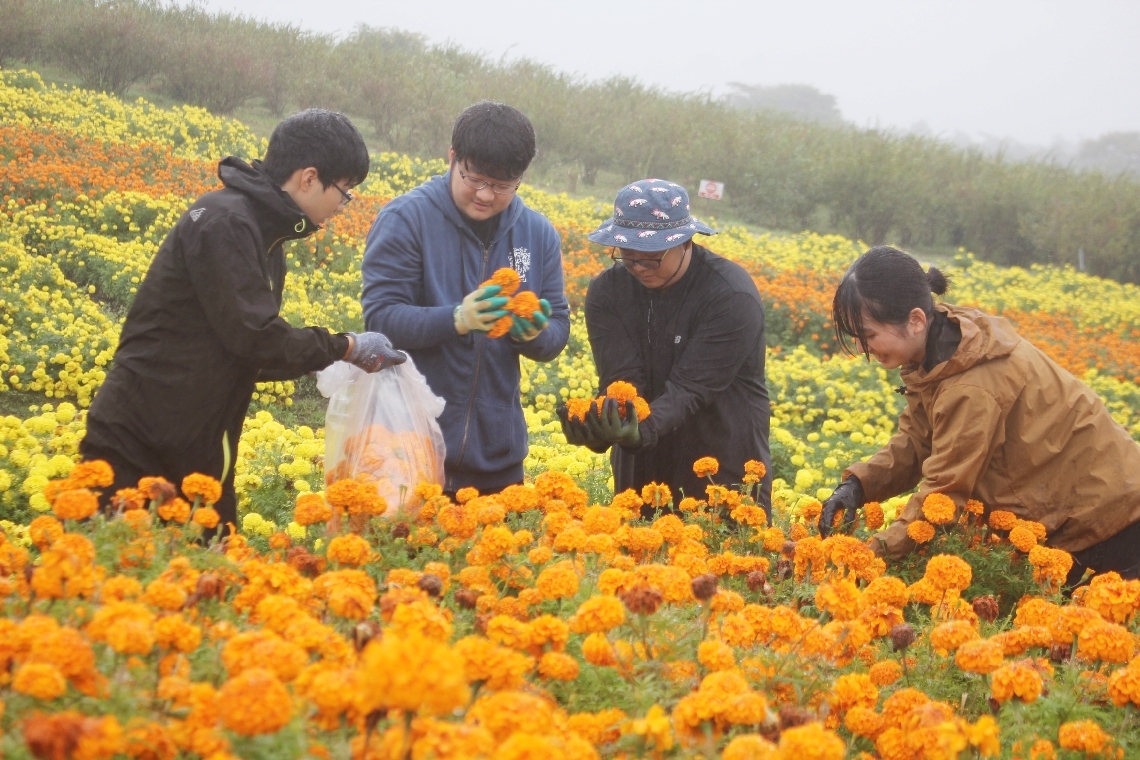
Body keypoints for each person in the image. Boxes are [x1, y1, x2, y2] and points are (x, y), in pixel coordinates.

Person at [81, 109, 405, 529]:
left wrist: (335, 359)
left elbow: (245, 349)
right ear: (309, 178)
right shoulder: (227, 222)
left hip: (192, 439)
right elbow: (256, 337)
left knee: (202, 575)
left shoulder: (263, 230)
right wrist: (344, 346)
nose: (344, 206)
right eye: (345, 192)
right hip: (140, 439)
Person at [819, 246, 1140, 585]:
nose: (861, 348)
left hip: (1111, 521)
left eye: (868, 335)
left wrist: (865, 558)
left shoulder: (970, 385)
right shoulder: (940, 345)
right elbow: (916, 442)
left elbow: (943, 494)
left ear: (914, 320)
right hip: (1081, 511)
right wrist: (857, 485)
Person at [361, 101, 570, 495]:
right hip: (407, 442)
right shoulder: (407, 219)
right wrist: (457, 319)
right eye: (474, 179)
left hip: (497, 455)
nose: (486, 195)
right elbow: (381, 320)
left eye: (503, 185)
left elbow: (558, 325)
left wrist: (534, 335)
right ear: (453, 157)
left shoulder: (537, 233)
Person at [559, 179, 772, 515]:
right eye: (628, 258)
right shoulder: (608, 292)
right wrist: (601, 426)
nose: (640, 269)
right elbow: (623, 379)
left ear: (685, 242)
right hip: (642, 467)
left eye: (652, 259)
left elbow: (691, 389)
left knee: (719, 557)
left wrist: (639, 429)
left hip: (720, 464)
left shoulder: (730, 295)